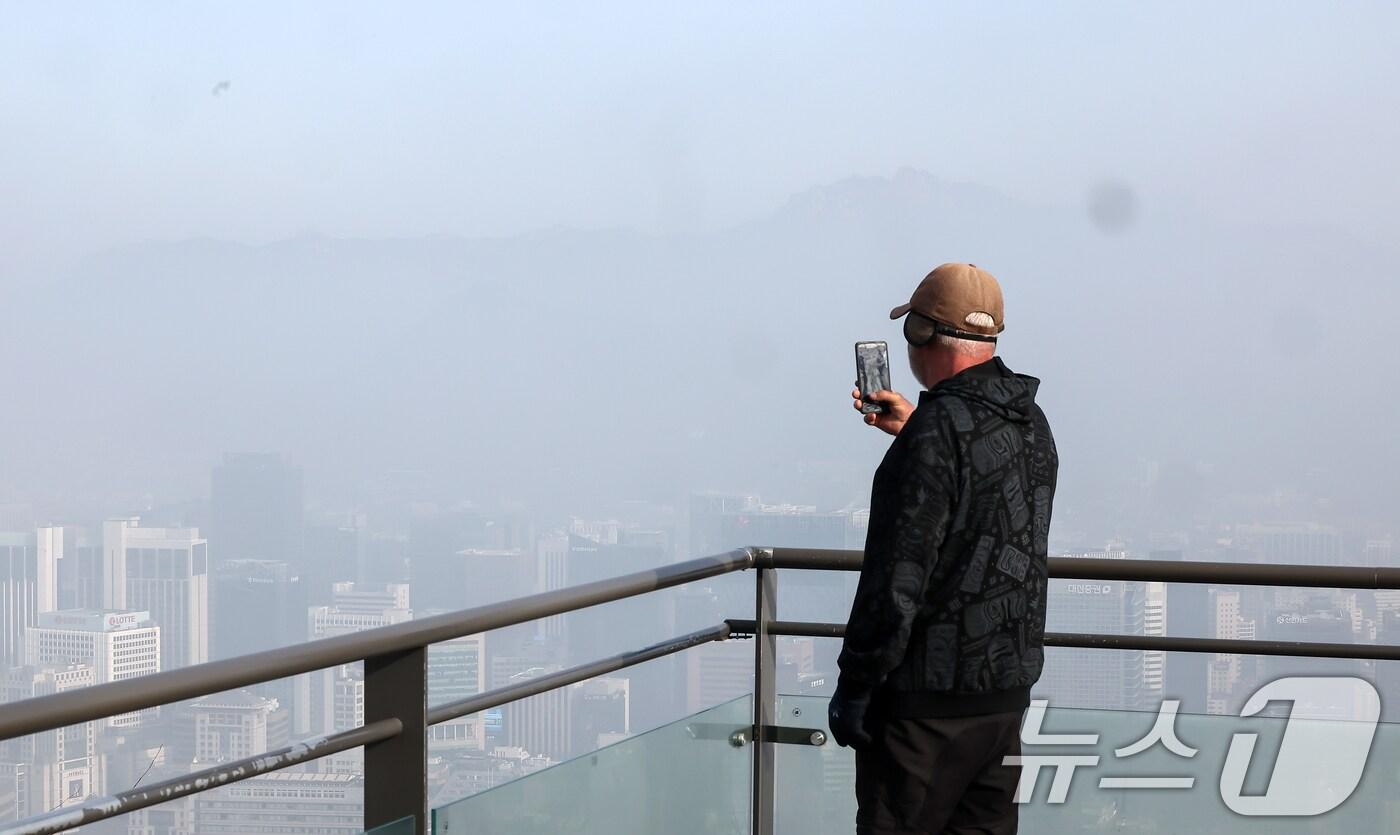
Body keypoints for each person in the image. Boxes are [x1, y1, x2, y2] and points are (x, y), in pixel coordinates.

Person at [829, 263, 1058, 835]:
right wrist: (916, 433)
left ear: (921, 335)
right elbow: (983, 510)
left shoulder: (936, 433)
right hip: (1003, 699)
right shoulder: (1030, 423)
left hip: (923, 711)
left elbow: (897, 581)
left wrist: (855, 687)